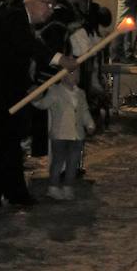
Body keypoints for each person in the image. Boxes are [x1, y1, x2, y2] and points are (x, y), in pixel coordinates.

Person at [0, 0, 77, 207]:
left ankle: (4, 192)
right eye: (49, 6)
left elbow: (16, 55)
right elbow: (28, 46)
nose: (50, 13)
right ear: (36, 2)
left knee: (3, 142)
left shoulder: (14, 19)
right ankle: (5, 192)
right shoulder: (15, 16)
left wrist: (27, 85)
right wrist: (59, 59)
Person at [32, 68, 95, 201]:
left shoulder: (80, 93)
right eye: (72, 73)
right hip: (60, 134)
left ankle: (68, 186)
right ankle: (53, 187)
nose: (76, 76)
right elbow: (43, 105)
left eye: (77, 73)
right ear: (62, 76)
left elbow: (84, 111)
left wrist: (90, 124)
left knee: (73, 163)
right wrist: (36, 99)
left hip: (77, 135)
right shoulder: (55, 91)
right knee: (58, 162)